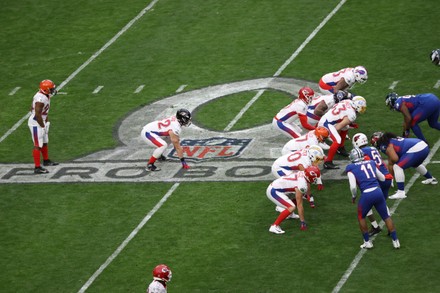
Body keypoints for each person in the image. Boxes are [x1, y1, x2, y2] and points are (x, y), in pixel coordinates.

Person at [346, 148, 401, 249]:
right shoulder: (371, 162)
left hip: (367, 194)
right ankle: (396, 241)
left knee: (361, 217)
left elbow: (353, 187)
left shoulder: (350, 168)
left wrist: (354, 196)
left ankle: (367, 242)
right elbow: (382, 178)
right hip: (378, 191)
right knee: (386, 216)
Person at [352, 132, 394, 236]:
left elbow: (368, 168)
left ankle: (375, 226)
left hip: (376, 179)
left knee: (367, 202)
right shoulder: (373, 149)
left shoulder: (361, 153)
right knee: (382, 204)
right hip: (386, 177)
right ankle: (390, 228)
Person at [375, 132, 437, 199]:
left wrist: (391, 175)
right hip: (422, 145)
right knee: (415, 164)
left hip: (417, 148)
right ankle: (431, 178)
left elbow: (394, 159)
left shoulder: (385, 145)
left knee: (397, 167)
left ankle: (401, 192)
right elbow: (392, 159)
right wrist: (391, 177)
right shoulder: (391, 140)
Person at [267, 166, 321, 234]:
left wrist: (308, 195)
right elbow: (299, 205)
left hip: (278, 187)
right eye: (314, 178)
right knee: (291, 207)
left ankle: (289, 214)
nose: (315, 179)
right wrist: (302, 221)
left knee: (297, 197)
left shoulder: (303, 173)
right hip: (274, 191)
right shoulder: (302, 185)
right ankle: (274, 226)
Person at [318, 96, 367, 169]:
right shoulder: (352, 114)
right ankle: (328, 162)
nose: (362, 110)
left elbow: (342, 116)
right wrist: (329, 135)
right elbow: (338, 127)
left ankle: (340, 148)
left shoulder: (348, 101)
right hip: (326, 124)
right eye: (362, 107)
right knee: (337, 140)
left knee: (346, 127)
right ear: (357, 106)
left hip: (326, 119)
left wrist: (349, 124)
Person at [272, 145, 325, 210]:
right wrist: (309, 194)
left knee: (300, 184)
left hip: (286, 165)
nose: (318, 162)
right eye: (317, 159)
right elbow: (306, 179)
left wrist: (319, 181)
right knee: (294, 185)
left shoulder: (308, 154)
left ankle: (301, 196)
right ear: (312, 156)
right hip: (280, 168)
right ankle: (280, 206)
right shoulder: (305, 162)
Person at [27, 79, 59, 174]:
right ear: (46, 89)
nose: (53, 90)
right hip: (36, 122)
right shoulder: (40, 100)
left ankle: (46, 161)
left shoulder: (45, 95)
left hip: (41, 121)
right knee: (38, 145)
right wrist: (42, 126)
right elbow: (37, 114)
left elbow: (36, 109)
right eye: (51, 89)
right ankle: (37, 167)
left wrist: (46, 121)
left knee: (45, 142)